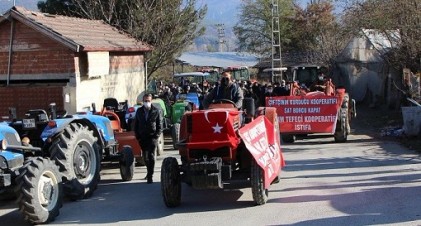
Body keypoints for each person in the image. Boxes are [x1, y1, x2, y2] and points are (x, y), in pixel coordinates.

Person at [134, 93, 163, 184]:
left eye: (148, 101)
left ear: (151, 101)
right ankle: (148, 171)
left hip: (152, 137)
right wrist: (138, 136)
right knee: (145, 157)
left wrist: (156, 135)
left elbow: (160, 125)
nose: (147, 102)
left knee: (151, 156)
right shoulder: (139, 111)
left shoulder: (156, 111)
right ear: (143, 101)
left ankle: (150, 175)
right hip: (143, 137)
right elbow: (136, 124)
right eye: (145, 101)